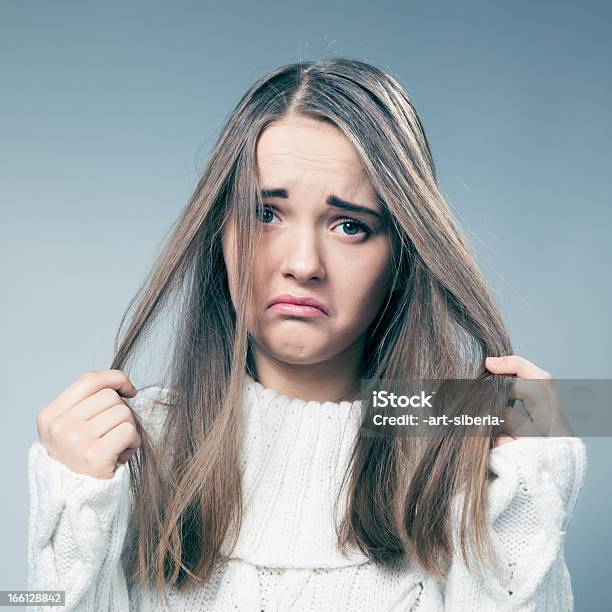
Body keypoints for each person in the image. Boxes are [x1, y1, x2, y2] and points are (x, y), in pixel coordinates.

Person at [27, 58, 587, 611]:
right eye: (265, 213)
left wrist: (532, 487)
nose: (302, 263)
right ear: (217, 232)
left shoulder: (462, 449)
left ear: (403, 255)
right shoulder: (122, 447)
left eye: (350, 226)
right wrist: (71, 505)